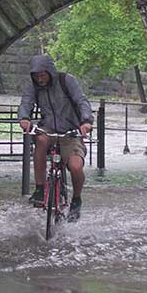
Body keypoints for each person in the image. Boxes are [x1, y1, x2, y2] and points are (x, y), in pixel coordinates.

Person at [18, 55, 93, 221]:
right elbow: (26, 103)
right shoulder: (33, 86)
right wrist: (24, 118)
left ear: (50, 72)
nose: (40, 79)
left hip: (71, 130)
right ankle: (40, 189)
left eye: (42, 75)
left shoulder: (67, 81)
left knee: (75, 166)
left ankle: (76, 199)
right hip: (48, 127)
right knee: (41, 140)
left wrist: (86, 121)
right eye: (36, 76)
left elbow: (82, 101)